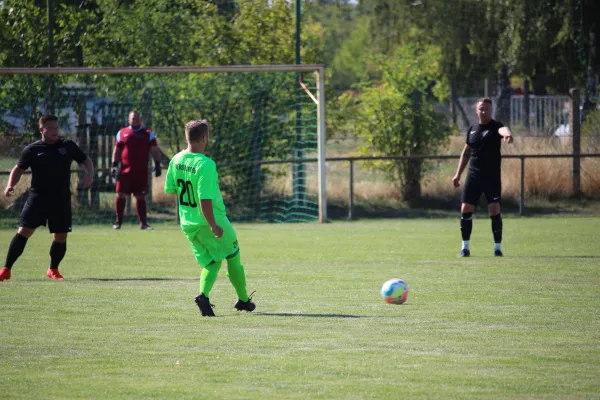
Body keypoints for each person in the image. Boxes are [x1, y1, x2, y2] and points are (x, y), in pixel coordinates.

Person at [164, 120, 255, 317]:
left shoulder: (176, 159)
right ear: (205, 138)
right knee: (233, 257)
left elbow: (171, 190)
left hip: (188, 224)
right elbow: (205, 200)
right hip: (211, 220)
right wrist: (214, 225)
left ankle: (203, 296)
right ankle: (244, 300)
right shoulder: (206, 164)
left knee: (212, 263)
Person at [0, 114, 94, 281]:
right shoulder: (32, 149)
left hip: (61, 199)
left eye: (56, 128)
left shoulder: (68, 146)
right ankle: (6, 269)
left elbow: (85, 160)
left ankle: (53, 269)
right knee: (24, 231)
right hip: (38, 198)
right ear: (42, 129)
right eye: (50, 128)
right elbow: (18, 168)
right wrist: (10, 185)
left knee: (61, 236)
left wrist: (90, 176)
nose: (54, 131)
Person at [452, 97, 514, 257]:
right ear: (476, 110)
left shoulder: (496, 127)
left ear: (491, 110)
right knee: (466, 208)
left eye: (487, 108)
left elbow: (504, 130)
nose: (484, 111)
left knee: (494, 210)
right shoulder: (472, 129)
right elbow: (466, 153)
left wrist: (508, 135)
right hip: (473, 175)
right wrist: (458, 174)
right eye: (481, 108)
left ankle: (497, 248)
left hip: (491, 176)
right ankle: (464, 248)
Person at [111, 110, 162, 230]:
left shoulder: (148, 134)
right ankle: (118, 222)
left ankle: (143, 224)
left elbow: (155, 150)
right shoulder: (122, 133)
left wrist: (158, 164)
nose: (135, 120)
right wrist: (114, 165)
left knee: (140, 196)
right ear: (128, 119)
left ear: (141, 119)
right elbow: (117, 150)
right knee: (120, 194)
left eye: (137, 118)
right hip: (125, 172)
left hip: (141, 172)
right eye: (133, 118)